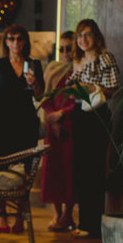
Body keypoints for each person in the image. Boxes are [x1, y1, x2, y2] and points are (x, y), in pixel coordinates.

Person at [0, 24, 44, 233]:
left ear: (25, 41)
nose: (15, 43)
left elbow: (39, 96)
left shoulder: (33, 64)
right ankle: (1, 215)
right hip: (2, 123)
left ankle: (19, 215)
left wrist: (35, 83)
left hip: (26, 122)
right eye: (11, 39)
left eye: (19, 39)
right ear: (6, 42)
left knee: (24, 169)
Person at [67, 19, 119, 239]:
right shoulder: (77, 60)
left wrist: (92, 87)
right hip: (79, 115)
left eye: (87, 34)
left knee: (95, 169)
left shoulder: (105, 58)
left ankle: (94, 225)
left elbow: (113, 89)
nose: (83, 39)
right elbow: (70, 87)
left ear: (96, 36)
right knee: (80, 169)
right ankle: (83, 222)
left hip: (97, 115)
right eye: (79, 35)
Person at [40, 31, 77, 231]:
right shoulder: (52, 69)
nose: (64, 53)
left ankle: (67, 214)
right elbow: (44, 96)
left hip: (70, 125)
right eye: (61, 49)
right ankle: (56, 214)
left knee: (69, 170)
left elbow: (79, 99)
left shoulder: (79, 69)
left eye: (68, 48)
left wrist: (62, 113)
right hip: (51, 124)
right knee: (51, 169)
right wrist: (51, 114)